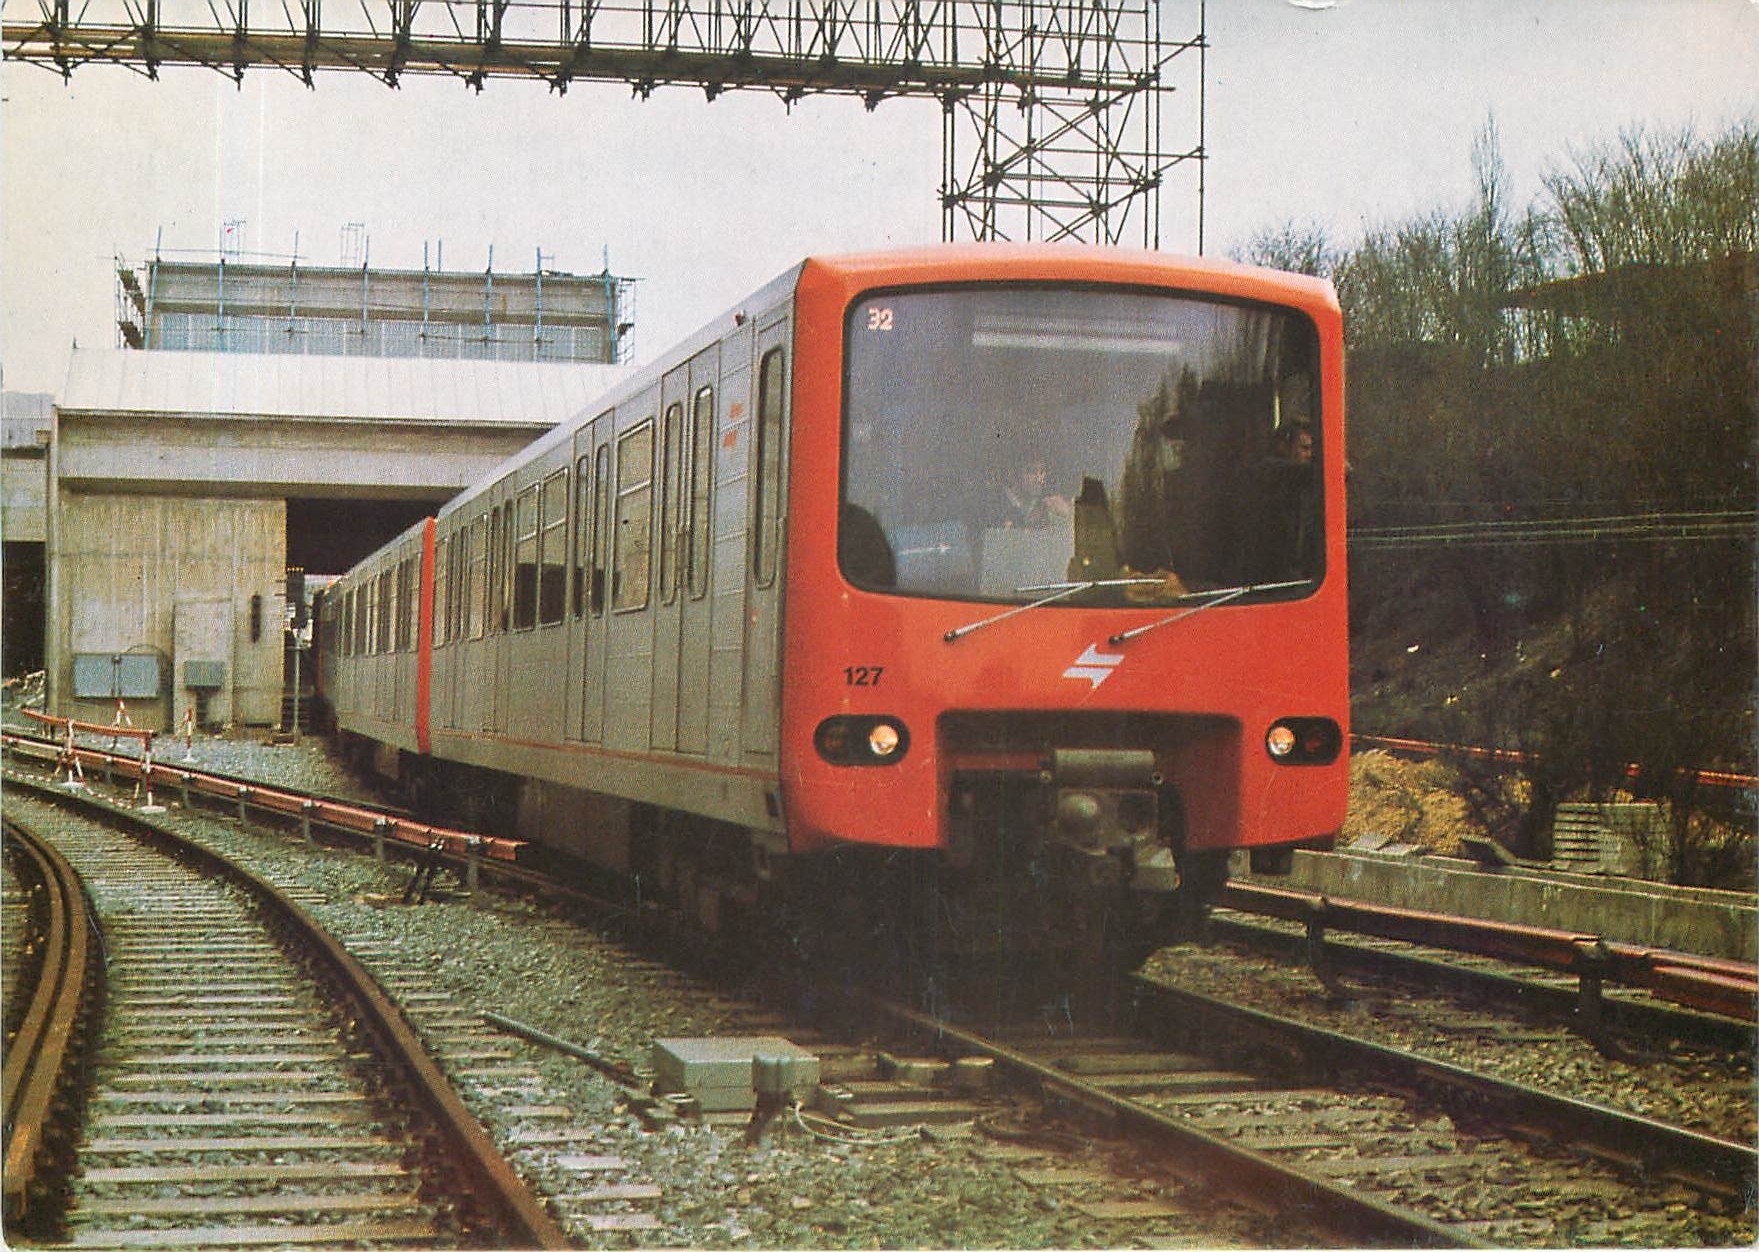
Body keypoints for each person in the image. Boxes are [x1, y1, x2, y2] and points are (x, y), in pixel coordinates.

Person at [992, 455, 1072, 529]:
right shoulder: (994, 503)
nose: (1039, 479)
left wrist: (1064, 516)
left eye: (1041, 472)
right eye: (1032, 472)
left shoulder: (1044, 504)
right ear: (1013, 474)